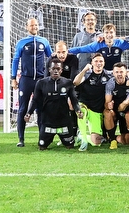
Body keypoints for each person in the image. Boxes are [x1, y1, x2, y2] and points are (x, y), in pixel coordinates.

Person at [11, 17, 52, 147]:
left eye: (36, 25)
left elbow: (51, 58)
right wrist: (13, 78)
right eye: (31, 25)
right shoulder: (21, 42)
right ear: (26, 27)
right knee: (22, 108)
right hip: (26, 79)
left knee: (40, 109)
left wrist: (50, 76)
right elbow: (15, 60)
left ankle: (41, 138)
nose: (34, 27)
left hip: (40, 80)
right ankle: (21, 139)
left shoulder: (44, 41)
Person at [26, 58, 81, 150]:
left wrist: (78, 110)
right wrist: (29, 113)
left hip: (64, 120)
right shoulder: (41, 83)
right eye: (53, 69)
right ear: (49, 69)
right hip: (47, 120)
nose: (56, 71)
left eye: (58, 69)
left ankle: (67, 137)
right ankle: (46, 137)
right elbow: (35, 100)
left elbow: (74, 100)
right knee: (42, 147)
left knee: (70, 146)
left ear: (61, 70)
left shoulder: (68, 83)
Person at [73, 52, 110, 149]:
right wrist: (84, 70)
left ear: (104, 63)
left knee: (96, 143)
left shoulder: (108, 75)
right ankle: (84, 140)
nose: (98, 63)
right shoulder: (86, 74)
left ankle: (81, 136)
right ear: (92, 63)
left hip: (97, 110)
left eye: (101, 61)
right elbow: (75, 82)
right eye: (96, 61)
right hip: (84, 105)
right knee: (81, 111)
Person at [104, 62, 129, 149]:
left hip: (127, 113)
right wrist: (109, 105)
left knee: (126, 141)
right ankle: (112, 140)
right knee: (107, 113)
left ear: (125, 73)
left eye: (121, 72)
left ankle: (112, 138)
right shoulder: (111, 83)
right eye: (117, 72)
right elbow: (107, 103)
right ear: (113, 73)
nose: (119, 74)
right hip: (115, 112)